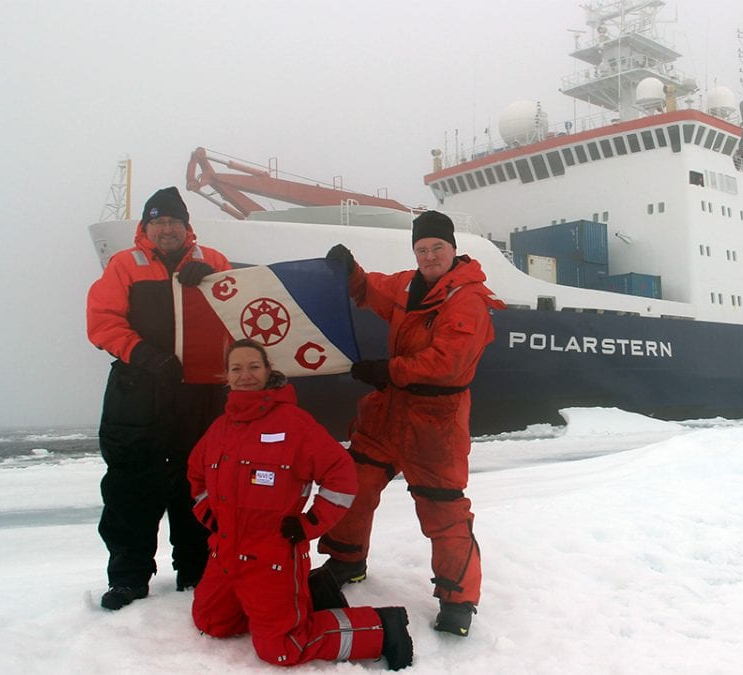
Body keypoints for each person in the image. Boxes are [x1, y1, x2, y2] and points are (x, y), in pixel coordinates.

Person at [317, 210, 505, 637]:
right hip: (388, 413)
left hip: (435, 423)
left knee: (443, 509)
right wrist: (349, 271)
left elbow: (448, 362)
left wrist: (389, 370)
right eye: (422, 249)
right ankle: (347, 558)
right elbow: (371, 291)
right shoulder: (408, 284)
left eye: (437, 247)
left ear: (454, 250)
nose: (429, 255)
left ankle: (458, 600)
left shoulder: (467, 300)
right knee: (355, 482)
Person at [188, 339, 412, 670]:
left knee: (282, 649)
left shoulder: (294, 424)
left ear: (268, 371)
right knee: (212, 623)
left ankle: (382, 627)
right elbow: (197, 475)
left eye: (253, 366)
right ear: (226, 376)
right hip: (226, 554)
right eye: (236, 368)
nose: (245, 375)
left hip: (273, 558)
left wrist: (310, 524)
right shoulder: (220, 427)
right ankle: (298, 602)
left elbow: (342, 476)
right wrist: (210, 516)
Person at [86, 186, 231, 610]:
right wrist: (144, 355)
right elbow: (102, 323)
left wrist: (208, 279)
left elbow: (237, 311)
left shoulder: (214, 261)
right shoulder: (123, 266)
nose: (167, 229)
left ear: (187, 227)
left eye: (174, 221)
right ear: (146, 227)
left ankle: (196, 569)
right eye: (159, 221)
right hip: (138, 393)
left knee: (198, 482)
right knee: (131, 485)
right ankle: (129, 577)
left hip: (198, 394)